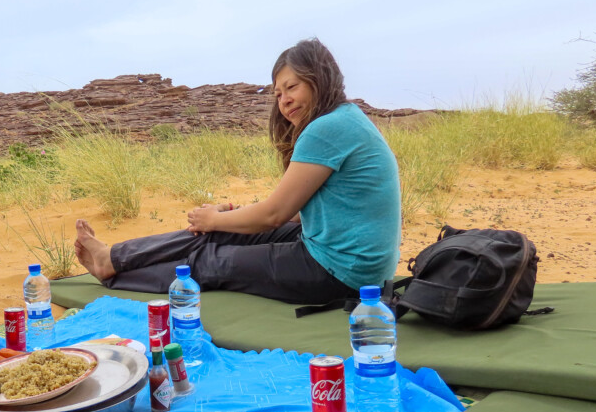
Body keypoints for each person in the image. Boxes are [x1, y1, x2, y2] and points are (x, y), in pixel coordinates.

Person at [74, 38, 402, 304]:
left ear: (319, 79)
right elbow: (298, 214)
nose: (285, 101)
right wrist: (228, 219)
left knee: (211, 260)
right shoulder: (344, 118)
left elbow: (275, 214)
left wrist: (216, 219)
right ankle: (112, 257)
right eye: (278, 94)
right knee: (215, 234)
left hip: (345, 274)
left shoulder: (327, 128)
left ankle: (117, 275)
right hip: (341, 254)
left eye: (293, 87)